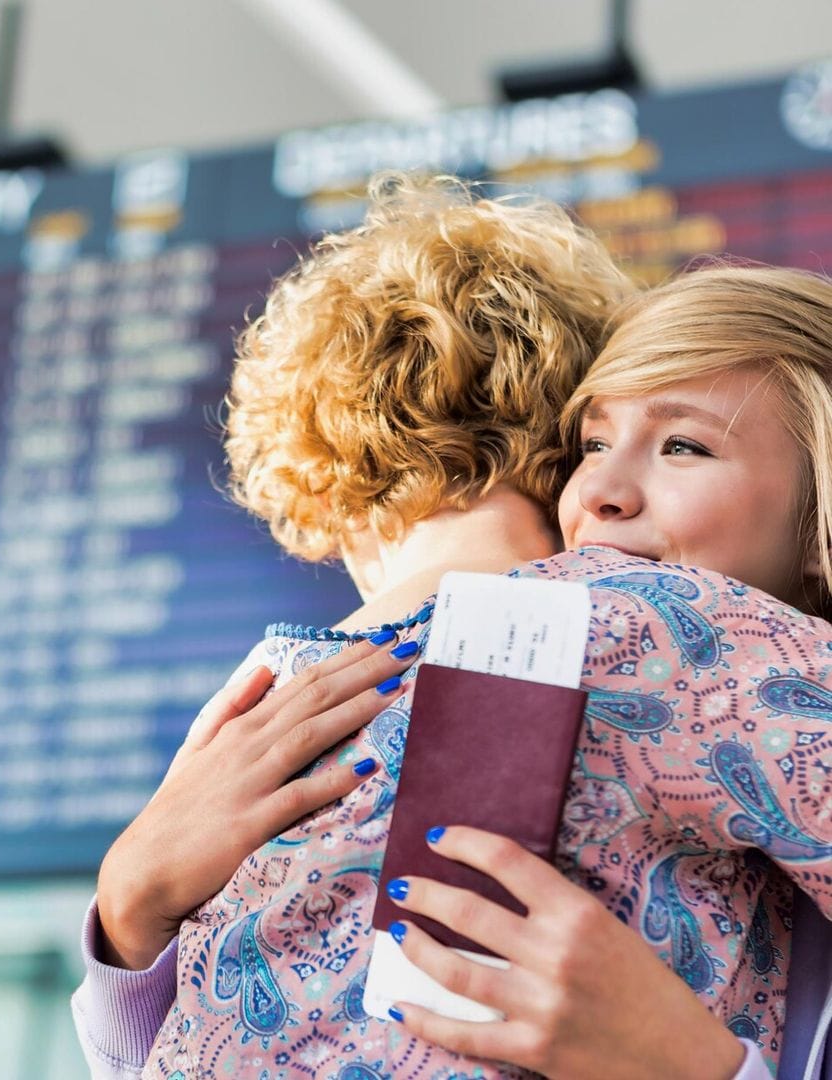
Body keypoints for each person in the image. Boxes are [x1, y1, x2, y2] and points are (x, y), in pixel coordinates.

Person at [71, 179, 828, 1077]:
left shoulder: (262, 700)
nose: (603, 492)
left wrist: (128, 909)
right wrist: (130, 901)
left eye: (685, 445)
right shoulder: (661, 626)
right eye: (589, 443)